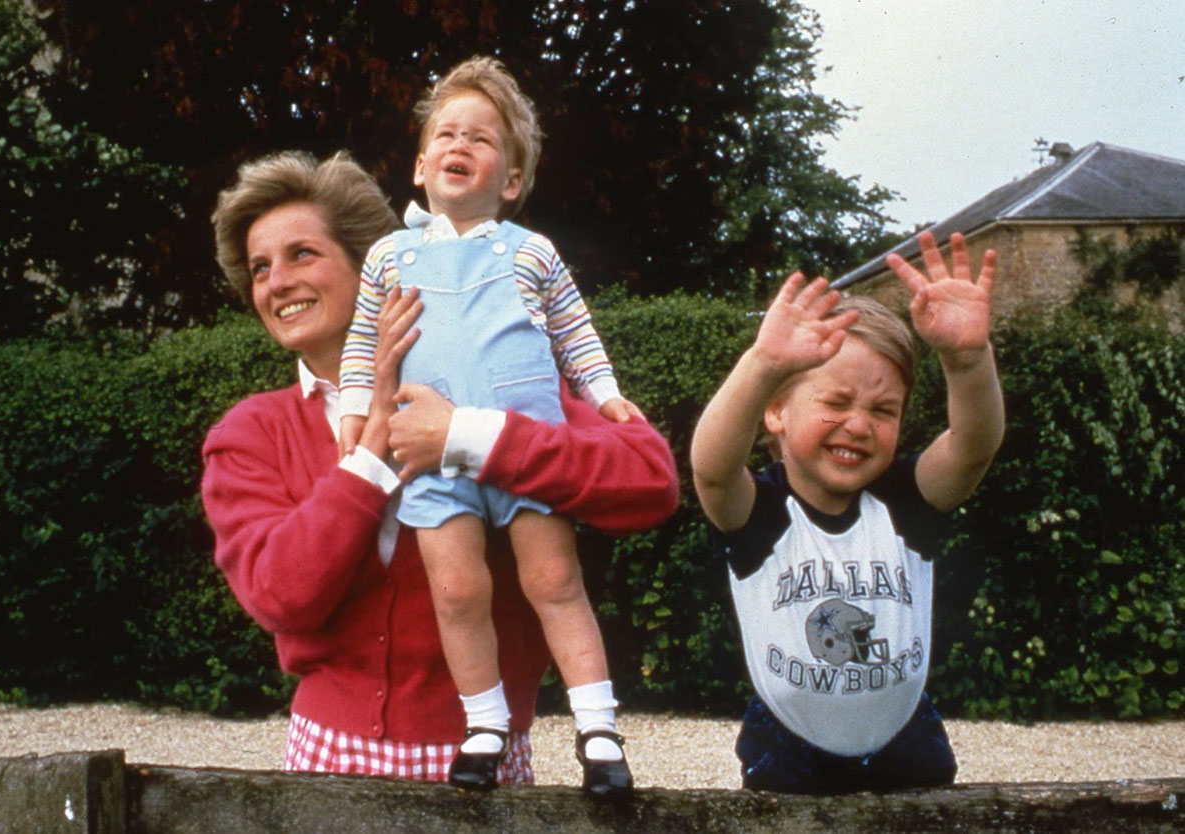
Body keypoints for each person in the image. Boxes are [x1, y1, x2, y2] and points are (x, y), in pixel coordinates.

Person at [203, 150, 678, 788]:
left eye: (302, 255)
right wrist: (372, 448)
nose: (276, 282)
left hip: (485, 766)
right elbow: (283, 596)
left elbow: (651, 482)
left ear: (373, 262)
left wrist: (468, 437)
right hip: (327, 760)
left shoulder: (502, 386)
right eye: (260, 268)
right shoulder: (251, 432)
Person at [335, 57, 641, 795]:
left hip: (521, 445)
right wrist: (354, 410)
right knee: (458, 591)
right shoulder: (386, 257)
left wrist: (606, 394)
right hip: (426, 452)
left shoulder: (532, 251)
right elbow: (362, 343)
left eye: (480, 137)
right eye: (445, 134)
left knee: (554, 579)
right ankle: (484, 724)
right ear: (419, 165)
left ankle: (599, 730)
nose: (459, 144)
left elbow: (575, 332)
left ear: (509, 179)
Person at [690, 231, 1003, 793]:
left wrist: (968, 359)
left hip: (906, 737)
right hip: (787, 745)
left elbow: (973, 447)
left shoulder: (907, 500)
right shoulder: (760, 513)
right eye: (835, 403)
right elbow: (711, 468)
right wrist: (762, 364)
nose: (859, 424)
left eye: (884, 410)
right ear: (777, 410)